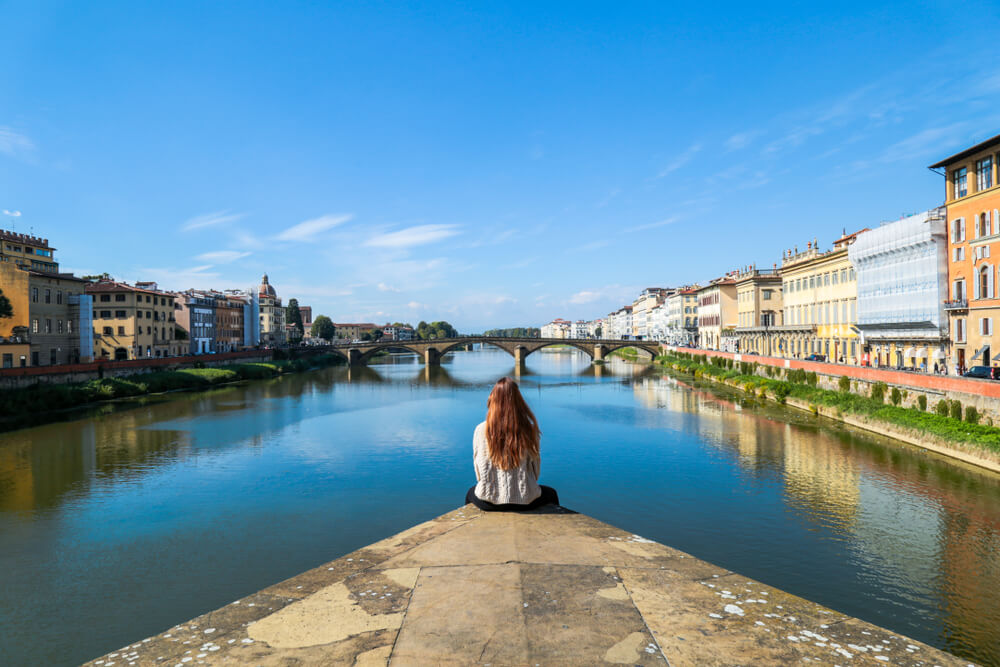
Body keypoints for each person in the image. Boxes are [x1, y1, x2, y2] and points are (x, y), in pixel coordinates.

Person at [465, 377, 559, 511]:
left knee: (470, 493)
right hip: (525, 499)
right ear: (519, 402)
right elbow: (536, 473)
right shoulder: (529, 429)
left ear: (493, 400)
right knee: (552, 493)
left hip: (488, 501)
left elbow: (478, 472)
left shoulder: (480, 430)